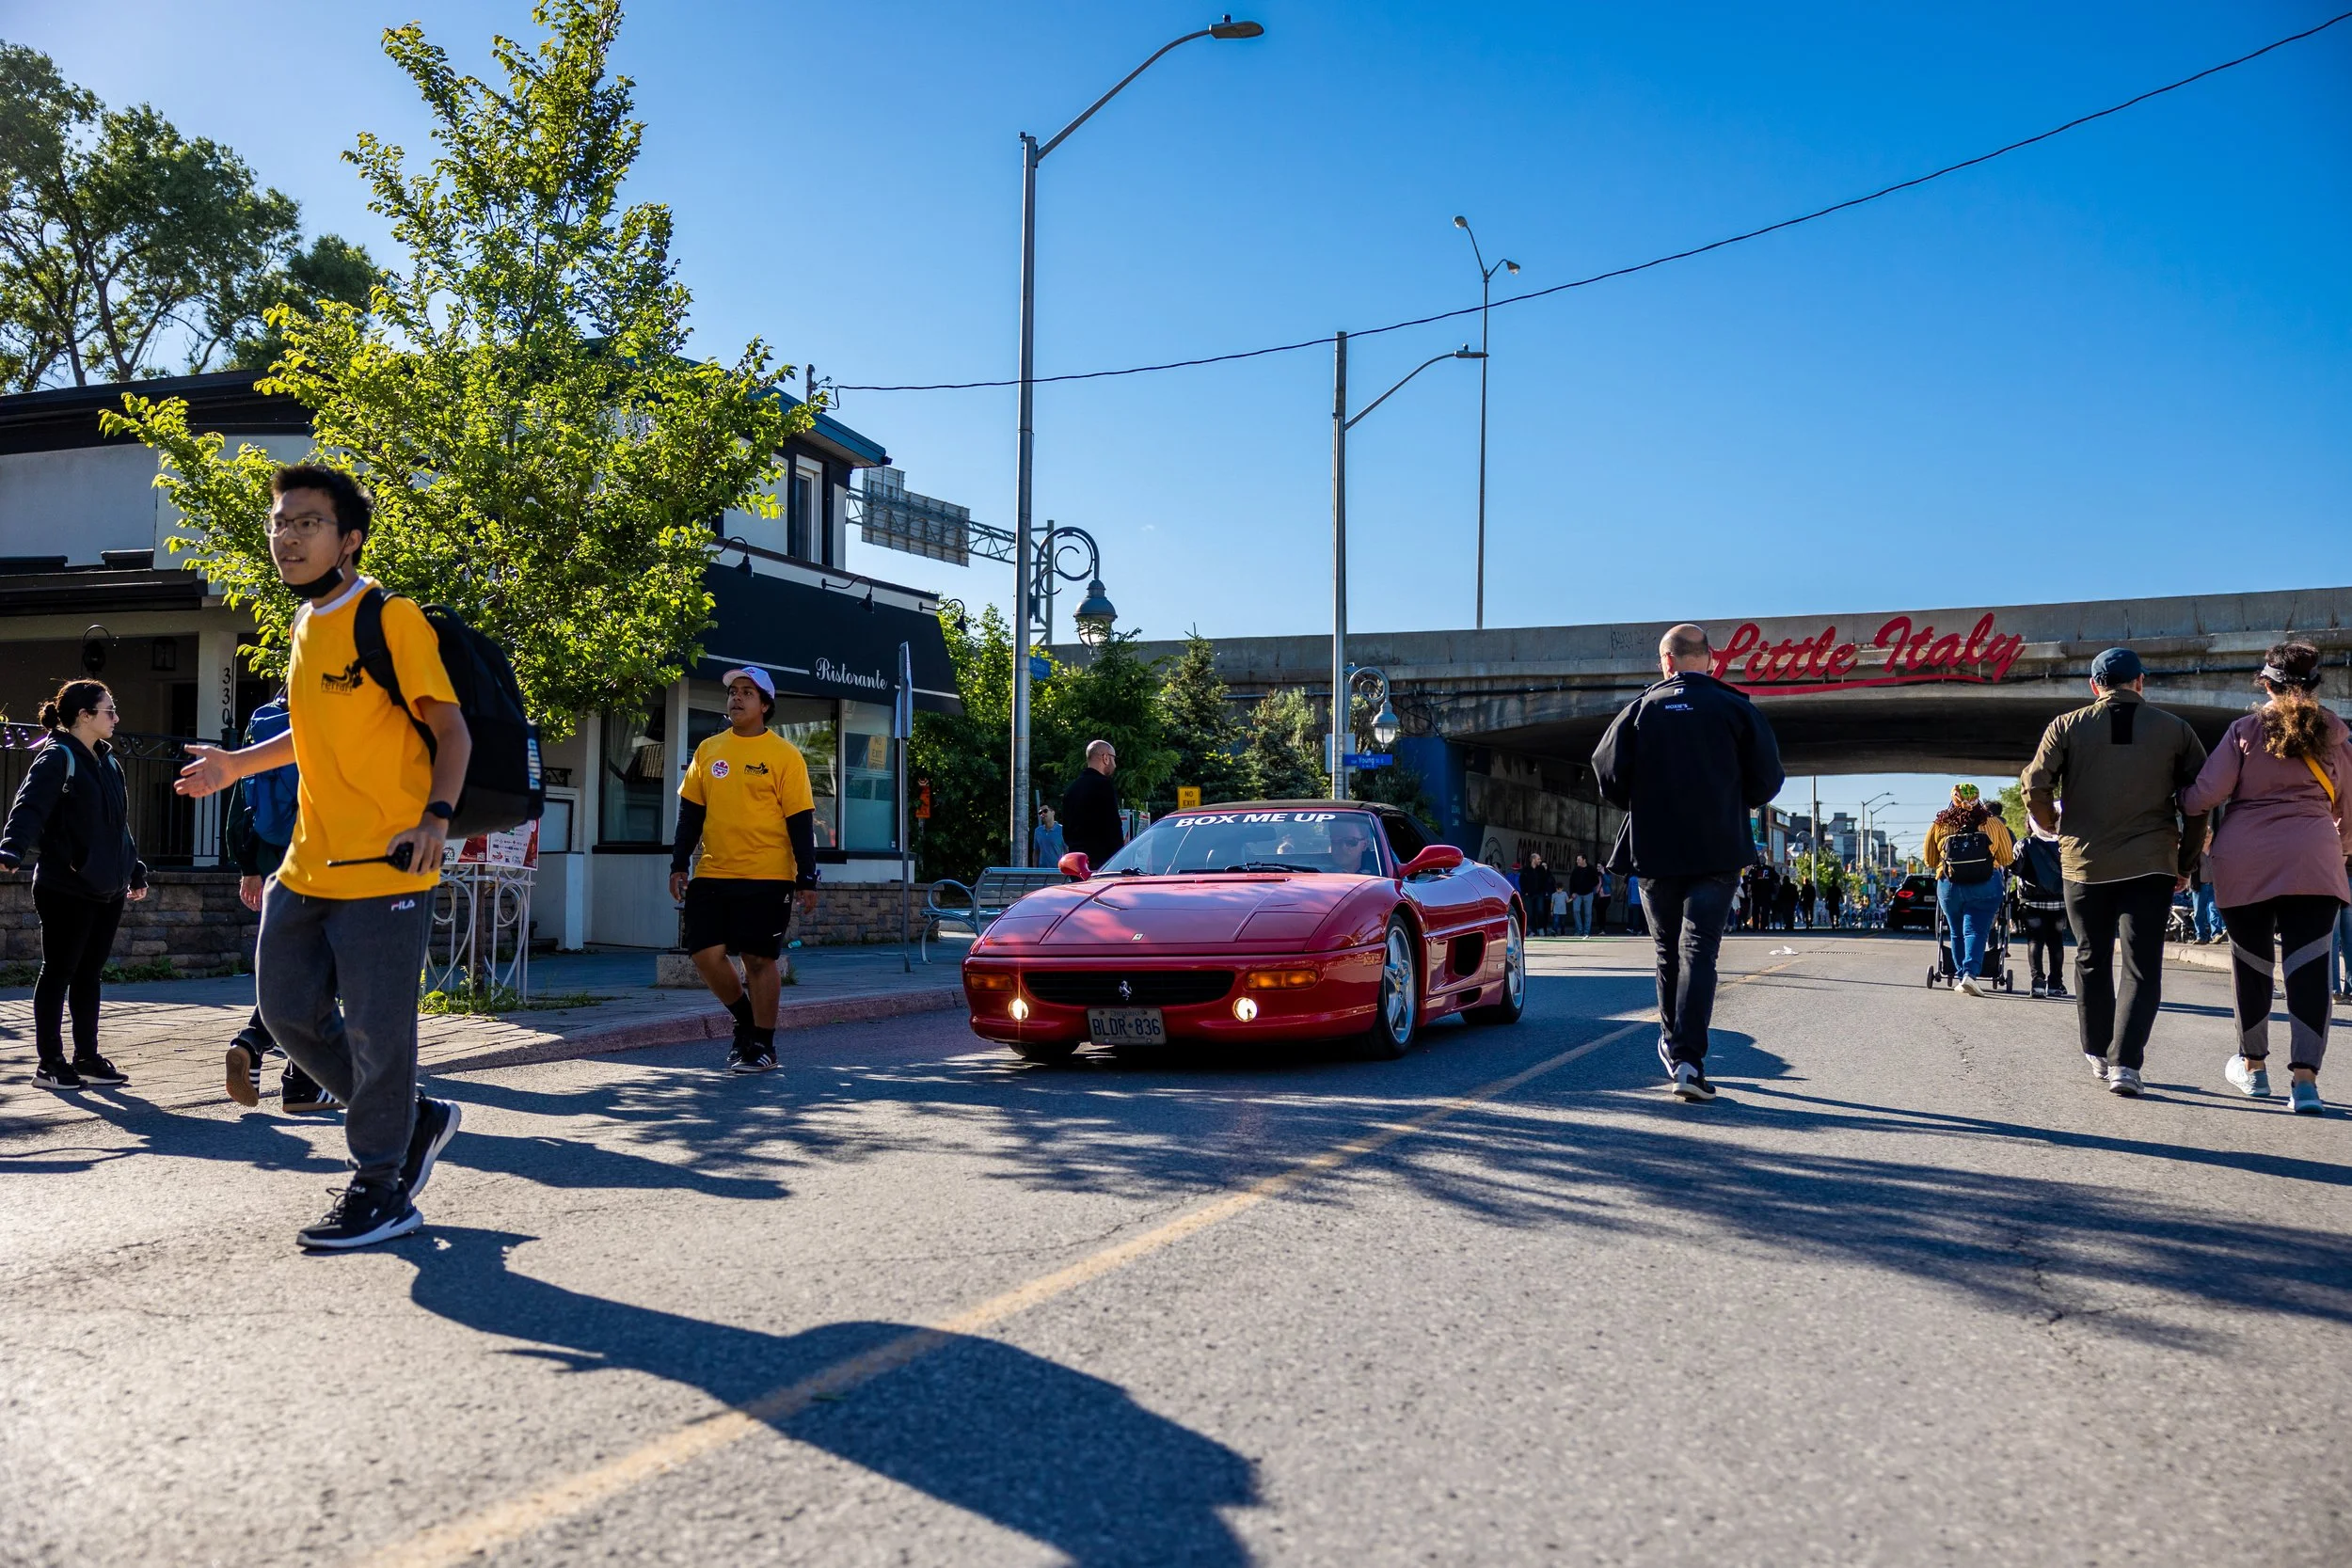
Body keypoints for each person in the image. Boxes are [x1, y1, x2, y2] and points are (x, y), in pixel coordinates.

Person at [175, 465, 469, 1250]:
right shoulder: (306, 626)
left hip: (388, 861)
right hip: (307, 863)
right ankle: (415, 1118)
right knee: (284, 1010)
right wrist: (237, 765)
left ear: (350, 539)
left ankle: (382, 1184)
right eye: (279, 522)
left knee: (379, 1031)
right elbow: (313, 735)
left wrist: (437, 816)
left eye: (307, 522)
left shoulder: (390, 617)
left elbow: (453, 730)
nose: (287, 536)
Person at [1595, 623, 1786, 1103]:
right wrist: (1732, 799)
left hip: (1656, 850)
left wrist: (1646, 801)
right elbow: (1769, 779)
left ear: (1666, 661)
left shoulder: (1640, 710)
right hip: (1718, 849)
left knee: (1666, 952)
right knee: (1700, 951)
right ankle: (1688, 1060)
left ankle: (1672, 1046)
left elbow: (1607, 772)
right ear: (1710, 659)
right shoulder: (1736, 708)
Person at [2022, 646, 2209, 1097]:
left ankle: (2097, 1053)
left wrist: (2052, 826)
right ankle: (2127, 1064)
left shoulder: (2065, 727)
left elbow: (2034, 784)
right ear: (2140, 682)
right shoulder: (2176, 730)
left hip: (2085, 864)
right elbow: (2201, 797)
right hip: (2151, 864)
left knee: (2091, 955)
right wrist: (2185, 861)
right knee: (2141, 965)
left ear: (2094, 686)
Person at [2178, 642, 2349, 1116]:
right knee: (2312, 969)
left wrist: (2183, 795)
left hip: (2245, 860)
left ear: (2266, 683)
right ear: (2316, 685)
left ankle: (2254, 1071)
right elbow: (2347, 808)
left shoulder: (2245, 730)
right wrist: (2340, 847)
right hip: (2314, 857)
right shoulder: (2335, 733)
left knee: (2251, 966)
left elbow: (2204, 797)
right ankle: (2306, 1083)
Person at [0, 680, 151, 1089]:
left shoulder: (108, 761)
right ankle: (50, 1063)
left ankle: (86, 1057)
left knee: (90, 974)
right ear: (84, 716)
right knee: (59, 972)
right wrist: (11, 849)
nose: (116, 718)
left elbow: (116, 825)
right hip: (65, 885)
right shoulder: (57, 757)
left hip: (107, 886)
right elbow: (29, 806)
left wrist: (132, 867)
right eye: (109, 711)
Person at [670, 668, 819, 1073]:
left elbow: (800, 820)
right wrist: (678, 863)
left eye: (747, 693)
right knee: (704, 953)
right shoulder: (708, 750)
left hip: (768, 874)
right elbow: (691, 813)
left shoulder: (785, 755)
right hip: (713, 870)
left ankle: (763, 1046)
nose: (736, 699)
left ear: (765, 705)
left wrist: (807, 876)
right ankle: (746, 1022)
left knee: (757, 959)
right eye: (733, 692)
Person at [221, 689, 335, 1114]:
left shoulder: (266, 719)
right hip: (323, 856)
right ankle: (299, 1081)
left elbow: (244, 801)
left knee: (292, 965)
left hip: (273, 858)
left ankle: (265, 1055)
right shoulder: (334, 707)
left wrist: (247, 864)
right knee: (318, 968)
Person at [1924, 784, 2015, 996]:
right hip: (1985, 884)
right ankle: (1970, 975)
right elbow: (2006, 858)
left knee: (1956, 932)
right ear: (1978, 799)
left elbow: (1929, 860)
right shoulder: (1993, 823)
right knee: (1975, 930)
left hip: (1950, 885)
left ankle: (1960, 976)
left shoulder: (1939, 825)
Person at [2011, 816, 2071, 1000]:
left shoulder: (2024, 844)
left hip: (2032, 901)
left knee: (2035, 941)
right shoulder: (2064, 844)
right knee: (2056, 942)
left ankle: (2037, 982)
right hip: (2060, 900)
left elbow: (2016, 869)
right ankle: (2055, 983)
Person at [1059, 739, 1124, 869]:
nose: (1115, 765)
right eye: (1114, 759)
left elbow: (1066, 830)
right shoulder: (1103, 785)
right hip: (1101, 862)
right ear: (1105, 758)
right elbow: (1112, 827)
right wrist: (1121, 857)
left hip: (1076, 863)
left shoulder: (1072, 788)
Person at [1567, 854, 1599, 938]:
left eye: (1579, 859)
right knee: (1576, 910)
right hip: (1577, 894)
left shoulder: (1591, 869)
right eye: (1577, 860)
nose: (1577, 861)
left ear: (1584, 860)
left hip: (1588, 894)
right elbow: (1571, 882)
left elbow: (1596, 880)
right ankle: (1579, 930)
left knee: (1588, 913)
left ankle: (1586, 932)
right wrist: (1572, 893)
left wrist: (1589, 886)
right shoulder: (1575, 870)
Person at [1031, 803, 1067, 867]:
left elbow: (1067, 851)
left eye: (1045, 811)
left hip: (1058, 871)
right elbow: (1036, 851)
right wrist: (1035, 869)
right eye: (1040, 812)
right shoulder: (1038, 831)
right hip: (1042, 871)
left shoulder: (1062, 830)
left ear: (1053, 813)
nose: (1043, 814)